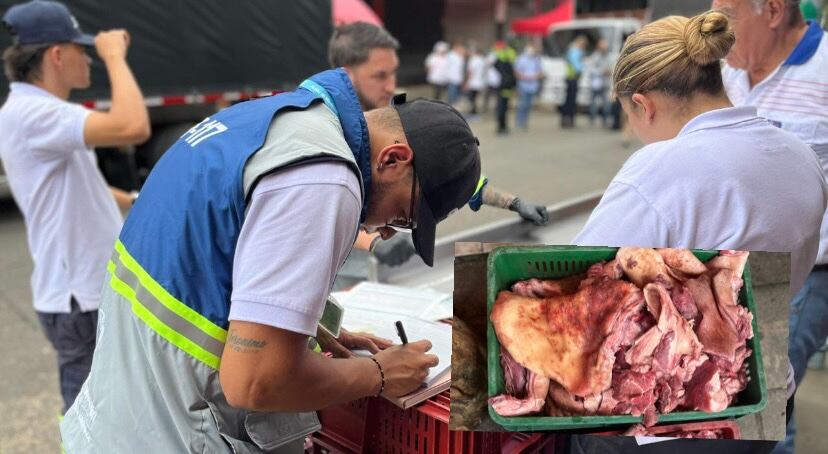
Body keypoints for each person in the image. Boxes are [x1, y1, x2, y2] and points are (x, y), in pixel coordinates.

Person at [60, 67, 481, 452]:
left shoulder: (271, 121)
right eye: (404, 217)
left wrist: (302, 328)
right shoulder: (326, 180)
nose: (386, 232)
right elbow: (256, 381)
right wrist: (379, 374)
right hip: (175, 436)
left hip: (116, 422)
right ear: (392, 159)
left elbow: (210, 264)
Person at [571, 10, 826, 454]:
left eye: (630, 116)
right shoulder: (802, 155)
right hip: (767, 396)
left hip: (678, 418)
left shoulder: (660, 168)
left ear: (644, 104)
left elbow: (580, 284)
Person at [0, 0, 150, 416]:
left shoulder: (32, 112)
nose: (89, 59)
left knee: (113, 410)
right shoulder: (35, 113)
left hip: (81, 295)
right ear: (56, 55)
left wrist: (134, 202)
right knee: (90, 418)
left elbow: (79, 185)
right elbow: (133, 125)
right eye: (81, 50)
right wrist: (115, 56)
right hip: (78, 301)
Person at [329, 23, 549, 267]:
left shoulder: (391, 123)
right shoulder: (328, 135)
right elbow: (320, 211)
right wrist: (371, 241)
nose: (391, 85)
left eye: (393, 73)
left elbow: (448, 178)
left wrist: (512, 202)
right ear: (347, 74)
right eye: (380, 76)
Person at [711, 1, 828, 452]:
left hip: (803, 274)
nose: (714, 26)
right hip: (728, 271)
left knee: (769, 405)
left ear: (774, 11)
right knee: (736, 395)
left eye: (727, 14)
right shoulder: (726, 74)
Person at [514, 41, 543, 130]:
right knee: (523, 104)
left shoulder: (536, 59)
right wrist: (526, 77)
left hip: (533, 86)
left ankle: (525, 122)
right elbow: (516, 72)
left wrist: (535, 76)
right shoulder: (521, 59)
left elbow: (540, 72)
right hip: (523, 85)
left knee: (528, 105)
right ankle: (519, 122)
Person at [561, 35, 586, 128]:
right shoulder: (575, 52)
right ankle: (569, 120)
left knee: (568, 100)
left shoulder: (572, 51)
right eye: (583, 44)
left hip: (570, 78)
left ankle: (565, 119)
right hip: (572, 78)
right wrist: (582, 68)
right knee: (571, 101)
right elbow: (577, 66)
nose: (584, 46)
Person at [492, 39, 517, 135]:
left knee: (502, 106)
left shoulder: (498, 60)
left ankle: (501, 126)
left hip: (503, 86)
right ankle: (502, 126)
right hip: (505, 86)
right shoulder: (505, 61)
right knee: (503, 106)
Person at [586, 38, 612, 127]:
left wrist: (609, 71)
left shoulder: (609, 57)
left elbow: (613, 67)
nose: (605, 49)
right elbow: (591, 70)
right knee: (593, 103)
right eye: (603, 47)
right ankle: (591, 119)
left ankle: (605, 120)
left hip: (606, 83)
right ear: (599, 47)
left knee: (607, 104)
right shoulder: (594, 57)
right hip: (596, 84)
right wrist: (602, 71)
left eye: (606, 47)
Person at [464, 41, 486, 117]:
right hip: (480, 82)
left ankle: (473, 111)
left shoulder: (473, 60)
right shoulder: (483, 60)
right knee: (475, 97)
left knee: (471, 98)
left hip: (473, 82)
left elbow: (470, 72)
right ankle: (474, 111)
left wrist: (466, 82)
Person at [445, 40, 466, 106]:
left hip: (459, 78)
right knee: (452, 94)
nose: (463, 49)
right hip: (452, 78)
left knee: (457, 95)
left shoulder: (461, 56)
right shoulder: (450, 55)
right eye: (461, 48)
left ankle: (455, 105)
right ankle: (451, 106)